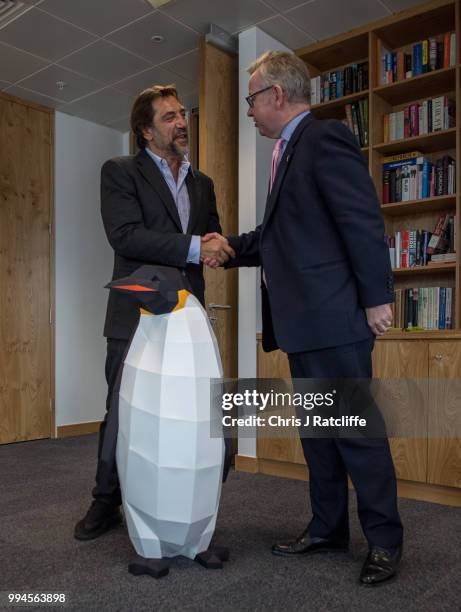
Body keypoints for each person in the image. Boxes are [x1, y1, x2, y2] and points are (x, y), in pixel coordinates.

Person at [202, 51, 403, 586]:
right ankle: (328, 527)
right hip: (303, 326)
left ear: (276, 95)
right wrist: (230, 247)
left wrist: (376, 297)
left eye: (251, 99)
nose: (249, 111)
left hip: (335, 320)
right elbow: (279, 239)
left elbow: (361, 219)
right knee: (319, 436)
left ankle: (385, 541)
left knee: (357, 434)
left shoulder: (323, 138)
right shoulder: (285, 154)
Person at [74, 85, 234, 541]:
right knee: (123, 410)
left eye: (182, 114)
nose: (181, 122)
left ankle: (175, 502)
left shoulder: (202, 183)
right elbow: (125, 236)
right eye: (169, 117)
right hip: (136, 315)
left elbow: (211, 234)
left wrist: (220, 247)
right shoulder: (120, 171)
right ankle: (106, 501)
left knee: (186, 413)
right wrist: (195, 247)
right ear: (145, 131)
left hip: (187, 319)